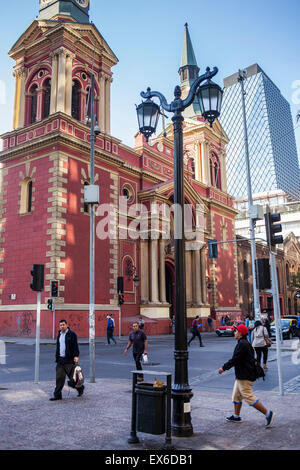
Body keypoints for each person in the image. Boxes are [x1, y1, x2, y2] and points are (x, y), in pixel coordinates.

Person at [218, 324, 275, 427]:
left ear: (240, 334)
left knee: (248, 396)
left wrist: (223, 368)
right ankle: (236, 416)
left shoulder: (242, 344)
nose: (234, 333)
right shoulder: (243, 343)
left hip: (245, 375)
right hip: (242, 374)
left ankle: (268, 413)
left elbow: (235, 359)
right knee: (236, 395)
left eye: (236, 331)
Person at [50, 319, 84, 401]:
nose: (62, 326)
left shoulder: (71, 334)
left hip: (69, 360)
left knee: (73, 379)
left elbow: (75, 345)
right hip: (60, 360)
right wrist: (57, 357)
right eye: (60, 325)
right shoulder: (59, 334)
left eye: (63, 325)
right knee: (59, 379)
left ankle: (80, 388)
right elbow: (59, 347)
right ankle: (57, 395)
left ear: (67, 325)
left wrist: (76, 355)